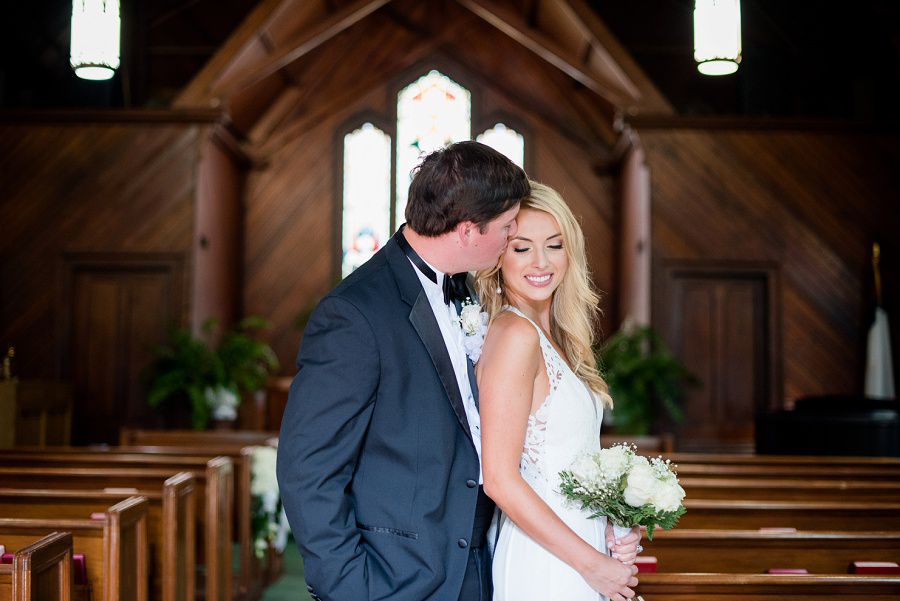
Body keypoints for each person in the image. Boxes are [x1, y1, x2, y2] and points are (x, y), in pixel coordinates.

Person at [277, 140, 530, 601]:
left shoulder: (469, 294)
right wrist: (350, 588)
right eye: (508, 226)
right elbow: (307, 469)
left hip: (476, 568)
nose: (512, 237)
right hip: (394, 579)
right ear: (469, 230)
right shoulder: (355, 313)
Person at [475, 182, 641, 601]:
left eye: (554, 245)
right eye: (521, 248)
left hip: (577, 545)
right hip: (546, 560)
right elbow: (499, 479)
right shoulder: (515, 335)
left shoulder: (557, 339)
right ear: (498, 258)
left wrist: (615, 522)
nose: (540, 261)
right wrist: (593, 564)